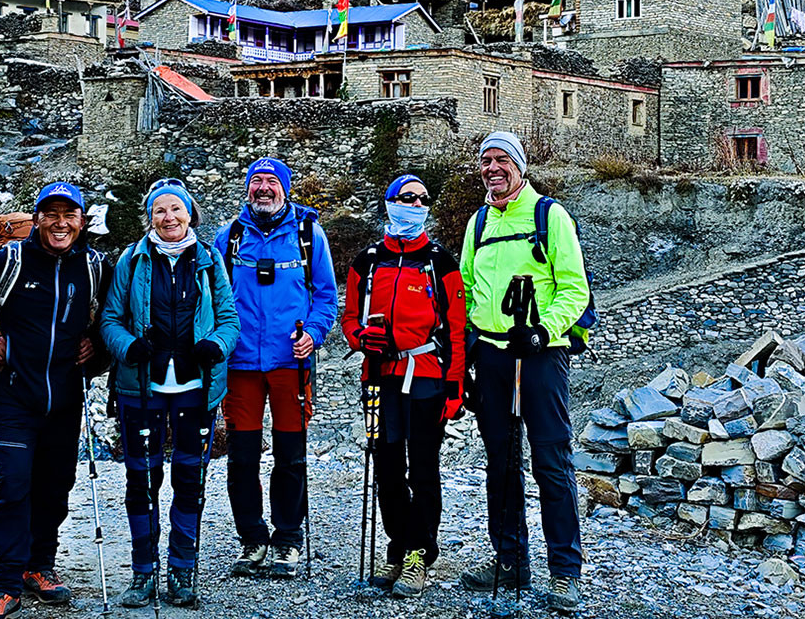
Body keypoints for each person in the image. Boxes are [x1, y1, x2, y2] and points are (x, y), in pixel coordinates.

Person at [457, 132, 592, 614]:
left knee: (551, 461)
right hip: (492, 357)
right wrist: (467, 350)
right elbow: (467, 288)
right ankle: (510, 560)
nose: (493, 168)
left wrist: (542, 331)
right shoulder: (478, 223)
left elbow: (575, 289)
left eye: (502, 160)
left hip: (540, 357)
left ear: (520, 166)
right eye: (485, 161)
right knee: (501, 461)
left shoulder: (549, 216)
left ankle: (565, 572)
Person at [0, 182, 111, 619]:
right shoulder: (9, 260)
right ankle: (3, 584)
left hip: (65, 399)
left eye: (70, 215)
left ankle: (38, 565)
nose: (60, 223)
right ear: (38, 218)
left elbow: (113, 318)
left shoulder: (94, 267)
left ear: (82, 221)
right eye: (51, 214)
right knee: (14, 487)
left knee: (56, 485)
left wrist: (97, 347)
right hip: (13, 395)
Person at [100, 179, 239, 608]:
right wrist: (128, 346)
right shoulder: (132, 260)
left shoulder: (210, 260)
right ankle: (143, 572)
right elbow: (110, 318)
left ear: (190, 214)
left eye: (176, 209)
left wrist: (217, 345)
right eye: (159, 210)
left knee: (189, 480)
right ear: (150, 217)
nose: (169, 217)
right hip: (141, 387)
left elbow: (229, 318)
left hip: (196, 388)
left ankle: (182, 569)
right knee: (142, 480)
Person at [339, 175, 467, 598]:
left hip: (426, 374)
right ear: (390, 202)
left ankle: (419, 554)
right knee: (387, 467)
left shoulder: (440, 261)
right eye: (406, 197)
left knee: (424, 468)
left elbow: (457, 328)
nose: (415, 205)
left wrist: (455, 387)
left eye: (422, 199)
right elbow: (350, 317)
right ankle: (397, 547)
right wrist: (361, 339)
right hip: (380, 375)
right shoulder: (367, 261)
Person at [212, 157, 337, 579]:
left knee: (290, 456)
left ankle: (287, 539)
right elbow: (213, 297)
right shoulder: (228, 237)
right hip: (241, 364)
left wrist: (313, 335)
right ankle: (251, 539)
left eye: (272, 182)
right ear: (247, 187)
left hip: (290, 363)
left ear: (285, 189)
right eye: (257, 181)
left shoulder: (308, 235)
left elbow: (326, 296)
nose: (263, 188)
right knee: (242, 458)